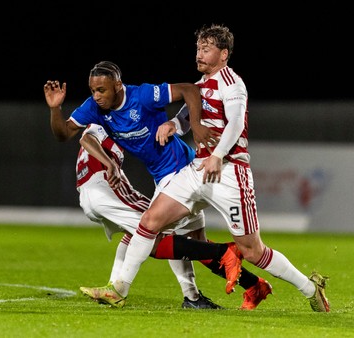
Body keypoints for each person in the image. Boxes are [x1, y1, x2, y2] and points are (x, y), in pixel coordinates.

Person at [88, 24, 330, 312]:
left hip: (229, 172)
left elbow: (237, 124)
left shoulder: (233, 84)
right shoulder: (201, 85)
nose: (199, 54)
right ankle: (119, 289)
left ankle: (309, 288)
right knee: (149, 222)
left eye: (206, 49)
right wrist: (172, 125)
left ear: (223, 53)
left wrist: (217, 155)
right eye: (198, 49)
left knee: (253, 250)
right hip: (197, 170)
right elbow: (186, 116)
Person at [43, 61, 248, 308]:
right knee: (162, 234)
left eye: (102, 90)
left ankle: (226, 271)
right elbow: (67, 134)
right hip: (163, 177)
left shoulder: (142, 95)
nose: (96, 96)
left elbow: (189, 90)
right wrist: (56, 109)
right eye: (92, 90)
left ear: (118, 85)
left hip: (183, 169)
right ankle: (217, 283)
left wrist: (193, 125)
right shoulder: (96, 110)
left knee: (154, 232)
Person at [76, 123, 272, 310]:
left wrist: (180, 121)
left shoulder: (138, 111)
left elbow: (185, 92)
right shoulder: (123, 120)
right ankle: (247, 285)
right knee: (187, 241)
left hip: (180, 181)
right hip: (183, 176)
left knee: (151, 235)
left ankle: (220, 259)